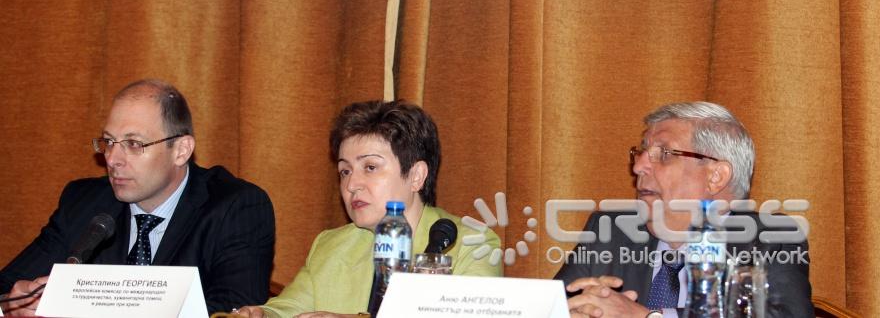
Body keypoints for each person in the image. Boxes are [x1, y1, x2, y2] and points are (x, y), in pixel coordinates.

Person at [0, 79, 275, 315]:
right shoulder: (83, 202)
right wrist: (11, 302)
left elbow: (233, 311)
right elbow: (7, 285)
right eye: (109, 142)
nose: (112, 159)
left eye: (133, 144)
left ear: (181, 150)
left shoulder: (237, 208)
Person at [234, 100, 502, 318]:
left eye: (370, 167)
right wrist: (262, 315)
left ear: (416, 176)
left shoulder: (470, 245)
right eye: (345, 171)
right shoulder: (331, 246)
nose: (351, 185)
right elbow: (289, 307)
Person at [555, 102, 813, 317]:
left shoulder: (771, 240)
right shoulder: (610, 231)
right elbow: (548, 307)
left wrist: (647, 317)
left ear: (716, 177)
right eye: (641, 152)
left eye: (665, 154)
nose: (638, 166)